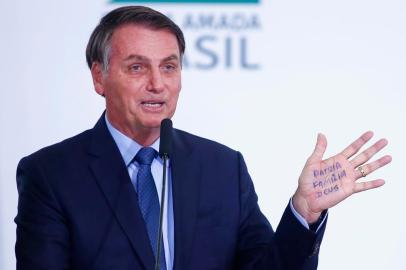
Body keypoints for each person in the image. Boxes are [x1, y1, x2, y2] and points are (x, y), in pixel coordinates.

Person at [14, 6, 391, 270]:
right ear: (99, 77)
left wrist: (303, 213)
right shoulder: (50, 174)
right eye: (136, 67)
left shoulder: (223, 168)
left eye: (169, 66)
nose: (157, 84)